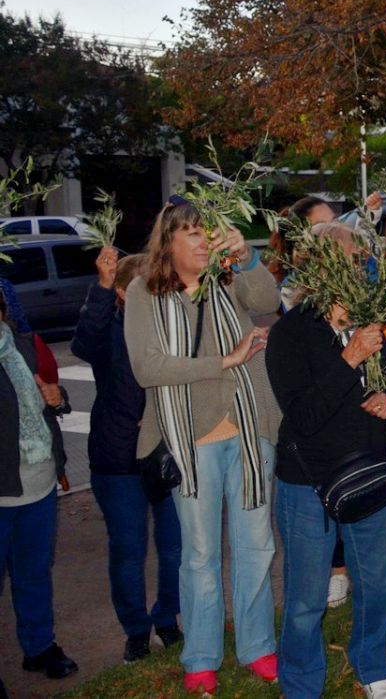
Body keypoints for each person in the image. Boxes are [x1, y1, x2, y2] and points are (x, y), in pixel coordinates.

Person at [124, 198, 282, 695]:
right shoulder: (143, 291)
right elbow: (148, 368)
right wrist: (224, 360)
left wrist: (249, 258)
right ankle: (201, 655)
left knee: (256, 544)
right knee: (199, 555)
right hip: (188, 440)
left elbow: (268, 302)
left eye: (205, 232)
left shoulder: (228, 276)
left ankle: (258, 647)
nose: (200, 241)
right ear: (168, 241)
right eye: (190, 232)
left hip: (251, 430)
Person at [267, 252, 386, 699]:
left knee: (378, 582)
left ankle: (372, 667)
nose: (358, 275)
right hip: (306, 482)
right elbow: (303, 416)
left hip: (366, 474)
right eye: (347, 267)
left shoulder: (369, 327)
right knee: (306, 596)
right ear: (320, 275)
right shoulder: (290, 332)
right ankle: (301, 683)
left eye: (360, 267)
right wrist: (348, 357)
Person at [70, 248, 183, 663]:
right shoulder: (108, 331)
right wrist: (100, 288)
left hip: (166, 454)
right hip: (116, 460)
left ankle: (167, 618)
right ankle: (136, 630)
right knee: (128, 550)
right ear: (122, 293)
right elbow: (83, 342)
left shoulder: (169, 325)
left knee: (175, 546)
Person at [0, 292, 76, 681]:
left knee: (33, 573)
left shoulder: (27, 346)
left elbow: (54, 397)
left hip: (38, 481)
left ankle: (39, 646)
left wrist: (57, 397)